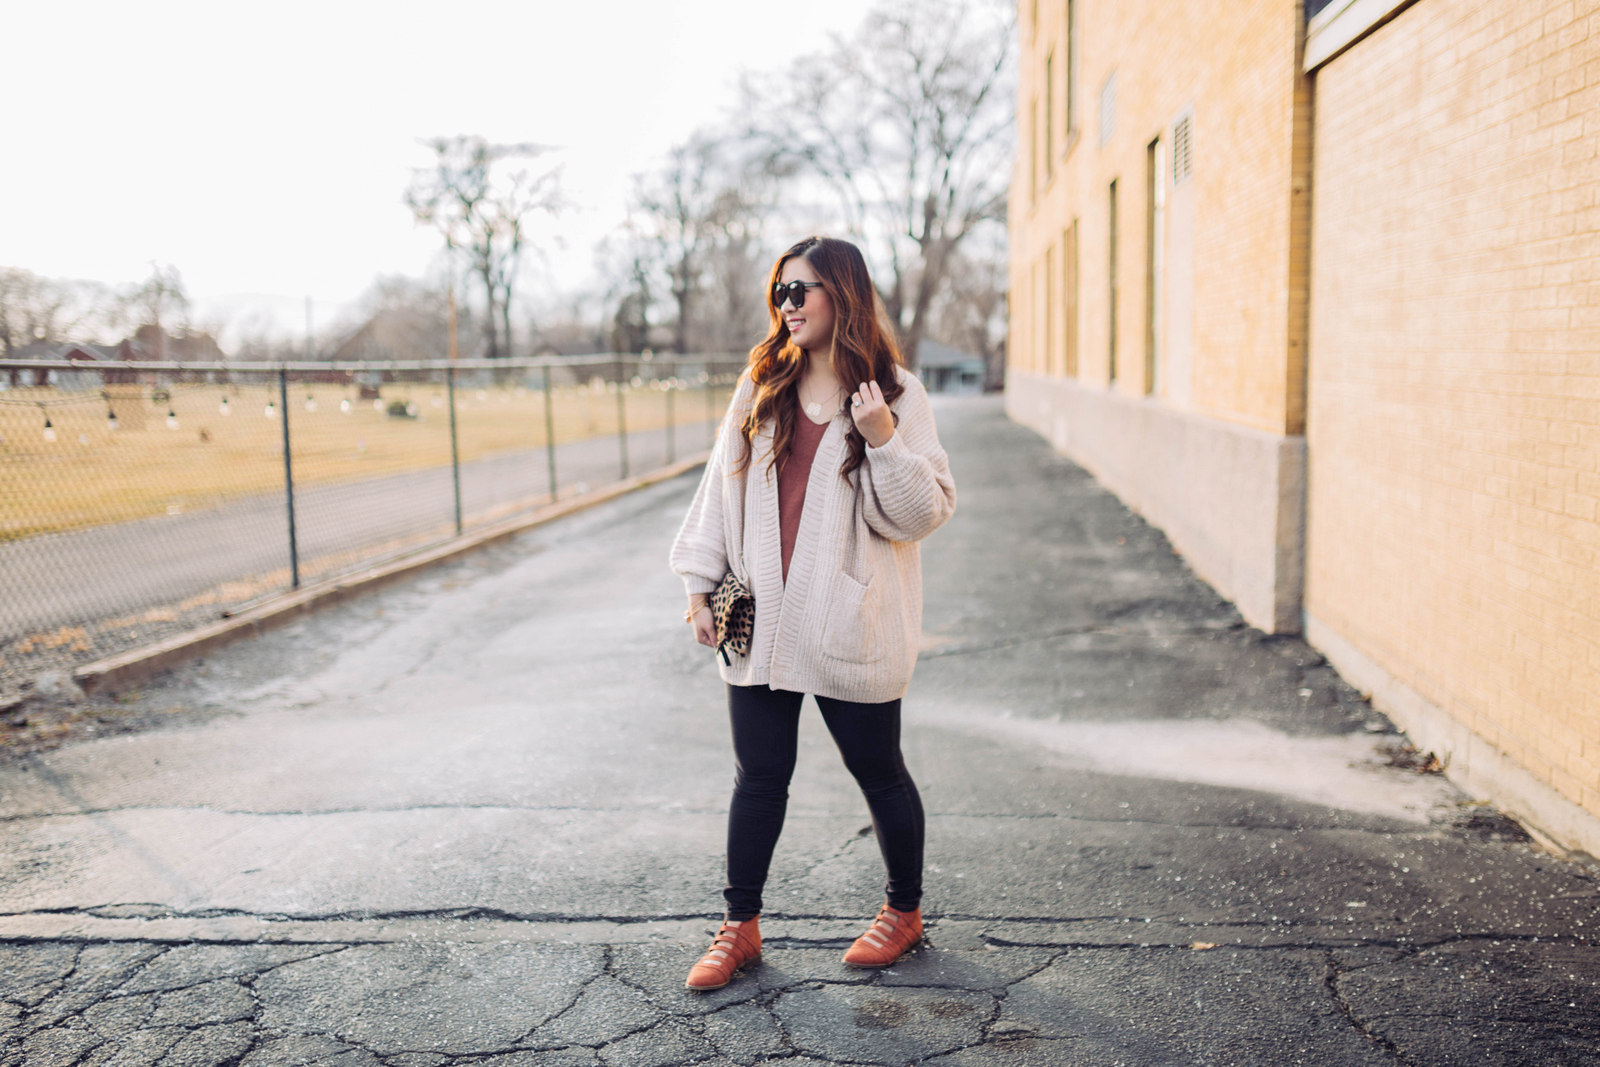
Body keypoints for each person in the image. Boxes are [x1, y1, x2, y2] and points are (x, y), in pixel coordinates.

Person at [669, 236, 957, 991]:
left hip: (848, 618)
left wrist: (884, 442)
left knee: (878, 770)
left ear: (843, 295)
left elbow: (922, 514)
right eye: (780, 292)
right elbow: (716, 488)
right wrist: (700, 587)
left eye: (802, 291)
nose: (787, 306)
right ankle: (740, 927)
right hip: (758, 620)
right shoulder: (761, 385)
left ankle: (904, 912)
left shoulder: (896, 394)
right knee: (758, 776)